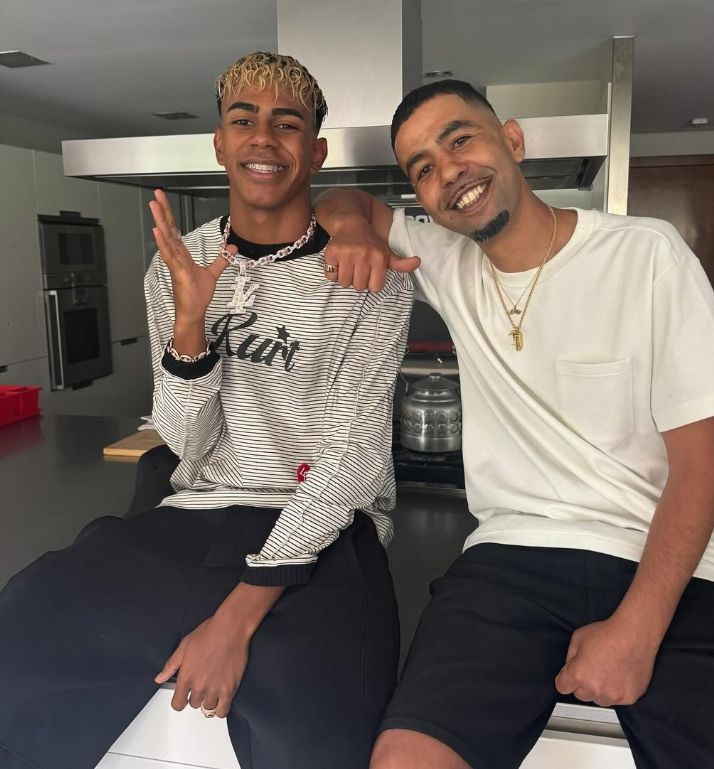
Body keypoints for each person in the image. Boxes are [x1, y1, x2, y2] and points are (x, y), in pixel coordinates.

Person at [313, 79, 714, 769]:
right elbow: (339, 202)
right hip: (510, 561)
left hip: (673, 566)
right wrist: (350, 230)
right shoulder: (447, 258)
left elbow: (704, 461)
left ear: (513, 141)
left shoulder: (647, 253)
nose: (448, 172)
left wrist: (637, 630)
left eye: (460, 140)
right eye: (423, 168)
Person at [0, 51, 413, 769]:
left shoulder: (366, 271)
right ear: (220, 143)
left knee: (319, 729)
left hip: (325, 529)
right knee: (20, 640)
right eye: (244, 121)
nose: (264, 138)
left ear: (315, 151)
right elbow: (185, 445)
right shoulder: (178, 265)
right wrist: (190, 329)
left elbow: (354, 458)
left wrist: (236, 618)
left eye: (287, 124)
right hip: (193, 511)